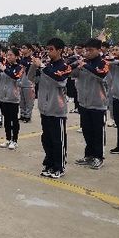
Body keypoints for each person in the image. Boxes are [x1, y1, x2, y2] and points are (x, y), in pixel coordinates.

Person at [29, 39, 76, 179]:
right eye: (47, 49)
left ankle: (59, 167)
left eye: (51, 49)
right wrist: (34, 66)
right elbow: (31, 78)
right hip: (44, 108)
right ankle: (49, 163)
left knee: (58, 140)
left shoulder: (64, 67)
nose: (48, 52)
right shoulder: (47, 66)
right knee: (47, 139)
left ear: (60, 50)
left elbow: (59, 79)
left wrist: (42, 66)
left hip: (56, 109)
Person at [73, 41, 111, 168]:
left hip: (98, 104)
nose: (87, 53)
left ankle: (98, 157)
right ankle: (88, 155)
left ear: (99, 50)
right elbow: (71, 74)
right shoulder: (83, 62)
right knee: (87, 131)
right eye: (86, 50)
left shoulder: (104, 63)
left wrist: (86, 66)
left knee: (98, 132)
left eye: (90, 50)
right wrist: (76, 67)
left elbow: (101, 75)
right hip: (84, 103)